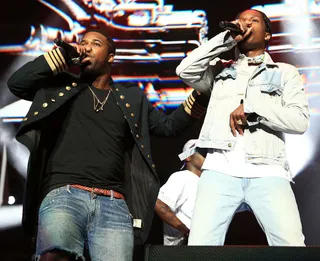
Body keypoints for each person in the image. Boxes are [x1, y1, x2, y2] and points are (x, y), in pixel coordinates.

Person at [7, 28, 208, 261]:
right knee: (55, 256)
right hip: (65, 193)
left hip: (114, 203)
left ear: (111, 57)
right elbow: (17, 84)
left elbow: (168, 126)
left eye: (95, 43)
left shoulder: (131, 98)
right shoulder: (62, 87)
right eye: (84, 43)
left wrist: (203, 91)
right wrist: (64, 55)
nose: (87, 47)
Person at [176, 9, 309, 246]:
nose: (245, 24)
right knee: (200, 248)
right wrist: (226, 39)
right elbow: (185, 69)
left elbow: (300, 121)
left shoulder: (284, 73)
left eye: (253, 21)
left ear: (268, 35)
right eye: (241, 21)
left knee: (291, 247)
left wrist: (254, 109)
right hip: (219, 170)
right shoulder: (219, 71)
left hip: (268, 170)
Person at [155, 139, 204, 245]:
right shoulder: (182, 177)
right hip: (181, 249)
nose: (207, 155)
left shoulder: (208, 184)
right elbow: (159, 205)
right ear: (188, 156)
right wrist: (187, 232)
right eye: (201, 151)